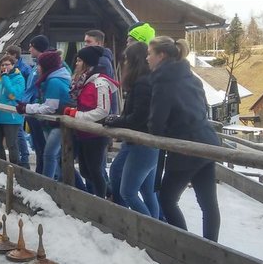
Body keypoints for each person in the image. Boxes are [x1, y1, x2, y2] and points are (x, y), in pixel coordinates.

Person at [147, 36, 221, 241]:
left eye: (149, 53)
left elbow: (156, 125)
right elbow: (203, 109)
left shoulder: (163, 82)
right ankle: (211, 247)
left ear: (161, 56)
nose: (147, 58)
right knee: (208, 204)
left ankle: (186, 244)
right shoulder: (190, 76)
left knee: (167, 199)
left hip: (185, 148)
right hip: (207, 142)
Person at [102, 42, 160, 217]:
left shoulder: (142, 84)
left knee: (128, 191)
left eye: (126, 59)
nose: (124, 63)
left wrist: (116, 121)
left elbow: (138, 118)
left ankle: (149, 230)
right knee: (147, 191)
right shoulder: (145, 81)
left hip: (141, 143)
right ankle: (154, 226)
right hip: (143, 143)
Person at [62, 46, 118, 198]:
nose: (76, 64)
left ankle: (102, 200)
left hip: (96, 134)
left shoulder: (100, 82)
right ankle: (106, 193)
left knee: (95, 170)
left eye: (79, 61)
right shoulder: (84, 81)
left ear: (87, 63)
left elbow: (103, 110)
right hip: (83, 132)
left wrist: (76, 115)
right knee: (86, 170)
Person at [16, 49, 72, 182]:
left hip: (58, 122)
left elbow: (50, 107)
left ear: (46, 66)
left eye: (39, 65)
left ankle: (47, 184)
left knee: (49, 154)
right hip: (51, 122)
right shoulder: (49, 79)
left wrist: (27, 108)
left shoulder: (54, 82)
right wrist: (28, 106)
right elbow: (44, 102)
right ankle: (58, 181)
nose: (37, 68)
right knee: (55, 156)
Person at [18, 35, 50, 174]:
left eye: (32, 46)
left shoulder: (44, 66)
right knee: (37, 145)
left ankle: (42, 174)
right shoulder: (36, 65)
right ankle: (39, 171)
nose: (29, 49)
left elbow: (38, 89)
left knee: (42, 146)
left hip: (37, 109)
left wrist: (31, 103)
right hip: (30, 108)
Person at [0, 55, 25, 164]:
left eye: (7, 64)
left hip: (11, 118)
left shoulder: (19, 78)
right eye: (2, 65)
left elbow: (13, 95)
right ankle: (2, 168)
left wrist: (5, 78)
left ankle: (15, 168)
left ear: (13, 65)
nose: (4, 67)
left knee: (11, 145)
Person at [6, 45, 31, 168]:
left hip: (20, 102)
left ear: (14, 55)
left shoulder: (24, 69)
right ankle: (19, 157)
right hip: (11, 102)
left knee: (19, 131)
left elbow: (28, 87)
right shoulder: (10, 67)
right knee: (15, 131)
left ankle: (25, 157)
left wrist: (23, 100)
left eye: (8, 54)